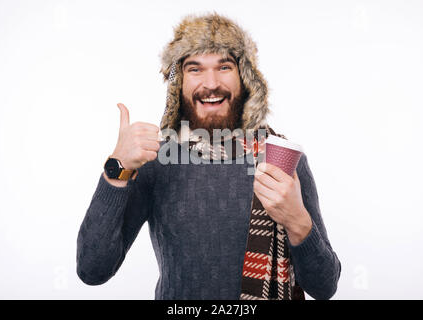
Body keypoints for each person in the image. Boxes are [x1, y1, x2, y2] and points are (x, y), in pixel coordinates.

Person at [76, 13, 341, 300]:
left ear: (245, 77)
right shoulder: (156, 159)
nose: (211, 83)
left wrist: (297, 220)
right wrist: (117, 168)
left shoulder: (280, 157)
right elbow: (93, 271)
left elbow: (324, 288)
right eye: (195, 69)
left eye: (224, 66)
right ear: (178, 83)